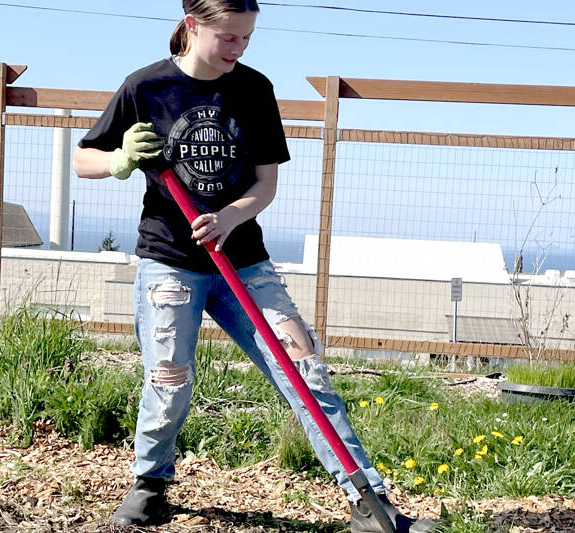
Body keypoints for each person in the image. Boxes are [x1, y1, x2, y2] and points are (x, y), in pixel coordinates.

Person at [73, 1, 436, 531]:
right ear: (193, 27)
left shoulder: (254, 89)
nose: (238, 49)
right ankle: (149, 485)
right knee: (169, 378)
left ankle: (368, 501)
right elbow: (85, 159)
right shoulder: (145, 87)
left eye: (246, 39)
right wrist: (119, 159)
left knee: (305, 368)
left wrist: (228, 217)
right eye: (228, 38)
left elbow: (265, 184)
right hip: (170, 263)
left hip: (243, 262)